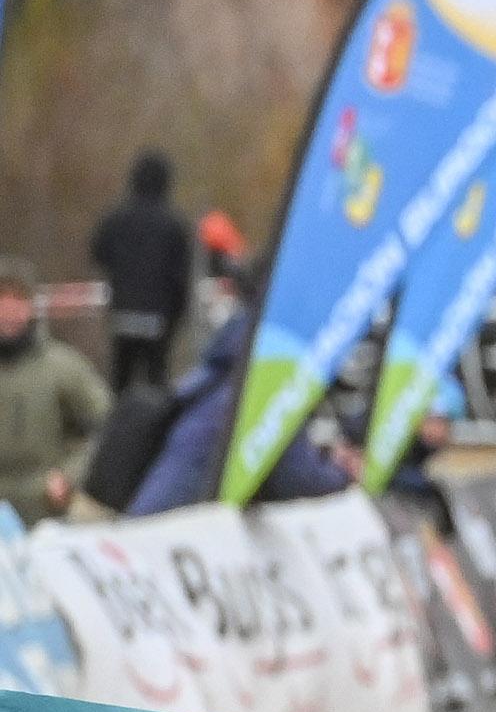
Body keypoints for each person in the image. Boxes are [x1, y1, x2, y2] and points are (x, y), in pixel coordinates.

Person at [123, 311, 355, 516]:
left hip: (157, 522)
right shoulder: (264, 390)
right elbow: (297, 477)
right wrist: (345, 474)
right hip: (179, 528)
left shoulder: (219, 380)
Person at [0, 260, 110, 522]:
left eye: (18, 300)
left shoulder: (62, 366)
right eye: (2, 300)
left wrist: (69, 476)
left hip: (46, 503)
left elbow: (108, 427)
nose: (9, 311)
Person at [88, 153, 196, 396]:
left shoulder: (115, 219)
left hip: (123, 312)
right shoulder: (174, 224)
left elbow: (98, 253)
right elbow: (181, 275)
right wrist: (179, 313)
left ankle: (118, 418)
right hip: (159, 317)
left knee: (120, 380)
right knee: (157, 381)